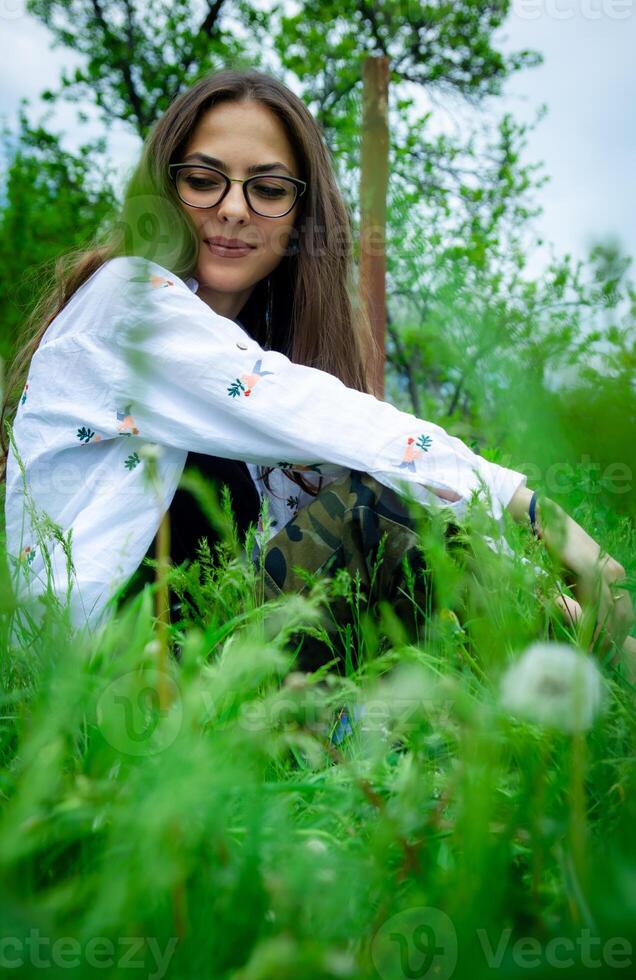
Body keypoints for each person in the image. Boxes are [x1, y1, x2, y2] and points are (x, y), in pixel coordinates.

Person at [1, 69, 633, 672]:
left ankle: (589, 676)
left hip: (230, 681)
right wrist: (536, 516)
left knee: (403, 528)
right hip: (108, 683)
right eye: (203, 179)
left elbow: (381, 476)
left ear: (299, 216)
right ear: (164, 191)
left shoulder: (257, 365)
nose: (233, 209)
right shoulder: (125, 300)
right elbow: (327, 425)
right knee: (374, 511)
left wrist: (530, 585)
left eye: (268, 189)